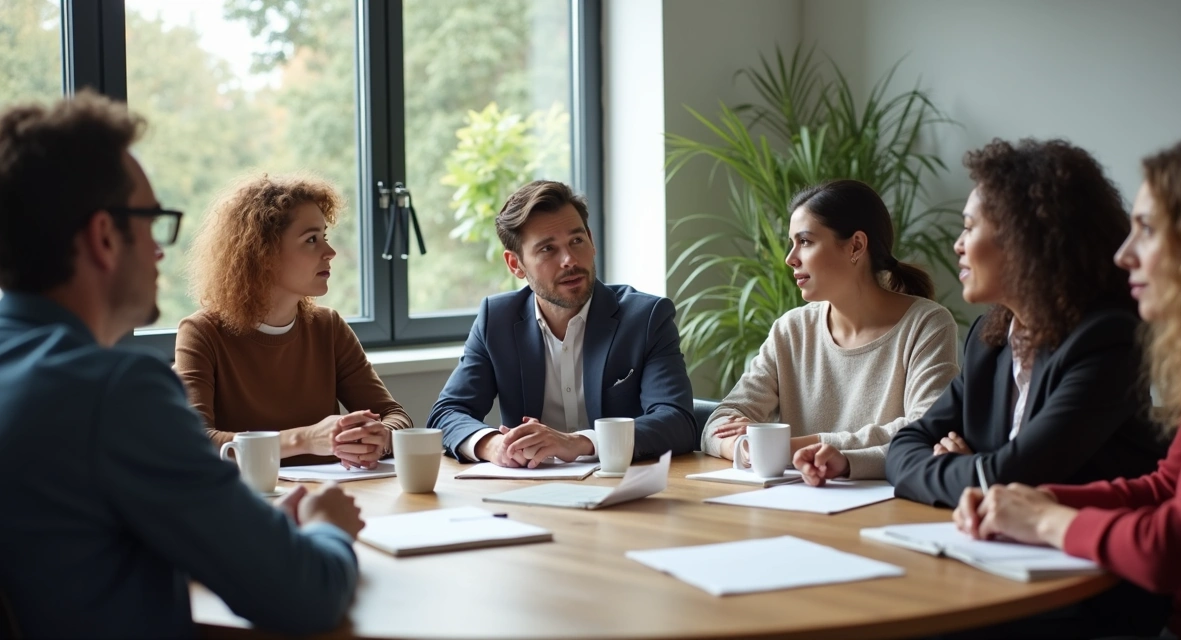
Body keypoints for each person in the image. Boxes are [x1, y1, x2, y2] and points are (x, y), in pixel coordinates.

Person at [0, 93, 362, 637]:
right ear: (104, 237)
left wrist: (250, 529)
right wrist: (327, 528)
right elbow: (306, 595)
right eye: (151, 222)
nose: (159, 250)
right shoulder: (116, 394)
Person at [955, 132, 1181, 640]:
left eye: (1148, 230)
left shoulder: (1103, 337)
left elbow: (1169, 546)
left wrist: (1044, 521)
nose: (1124, 254)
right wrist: (1032, 500)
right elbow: (1165, 487)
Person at [886, 138, 1166, 508]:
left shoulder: (1107, 340)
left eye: (969, 227)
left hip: (1095, 540)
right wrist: (977, 473)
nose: (958, 244)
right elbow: (903, 447)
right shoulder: (989, 341)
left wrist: (973, 470)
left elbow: (1014, 477)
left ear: (1023, 240)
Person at [702, 179, 959, 483]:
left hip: (886, 504)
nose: (790, 258)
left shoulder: (927, 324)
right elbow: (719, 422)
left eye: (805, 241)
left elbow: (926, 430)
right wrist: (746, 448)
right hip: (793, 502)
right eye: (792, 243)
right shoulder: (791, 330)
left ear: (856, 245)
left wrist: (794, 447)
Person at [427, 180, 696, 466]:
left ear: (591, 241)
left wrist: (580, 442)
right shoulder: (497, 320)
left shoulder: (646, 318)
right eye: (547, 249)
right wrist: (494, 446)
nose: (569, 260)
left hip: (622, 483)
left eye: (576, 241)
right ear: (516, 264)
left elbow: (677, 421)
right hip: (530, 486)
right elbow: (447, 413)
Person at [176, 173, 412, 469]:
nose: (330, 252)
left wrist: (381, 437)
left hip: (334, 492)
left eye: (325, 237)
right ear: (262, 253)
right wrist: (305, 439)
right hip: (248, 495)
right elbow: (193, 442)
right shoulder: (202, 333)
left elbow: (395, 415)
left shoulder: (329, 327)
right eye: (311, 240)